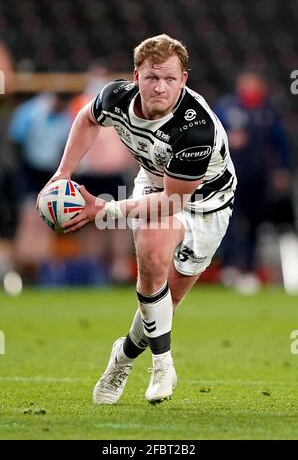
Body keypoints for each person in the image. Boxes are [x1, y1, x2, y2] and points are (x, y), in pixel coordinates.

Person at [38, 34, 237, 404]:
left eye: (169, 79)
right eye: (151, 78)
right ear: (136, 77)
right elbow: (86, 119)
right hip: (154, 182)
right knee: (151, 260)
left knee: (165, 304)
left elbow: (175, 200)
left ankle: (122, 357)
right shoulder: (117, 97)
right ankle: (162, 365)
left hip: (207, 203)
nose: (160, 87)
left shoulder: (195, 129)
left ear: (184, 80)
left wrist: (104, 210)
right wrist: (61, 174)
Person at [214, 71, 292, 291]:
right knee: (228, 220)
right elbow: (208, 135)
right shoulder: (226, 107)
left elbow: (280, 143)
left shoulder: (268, 110)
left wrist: (281, 170)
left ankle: (248, 269)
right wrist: (229, 139)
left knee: (255, 224)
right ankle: (229, 266)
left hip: (258, 177)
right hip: (229, 176)